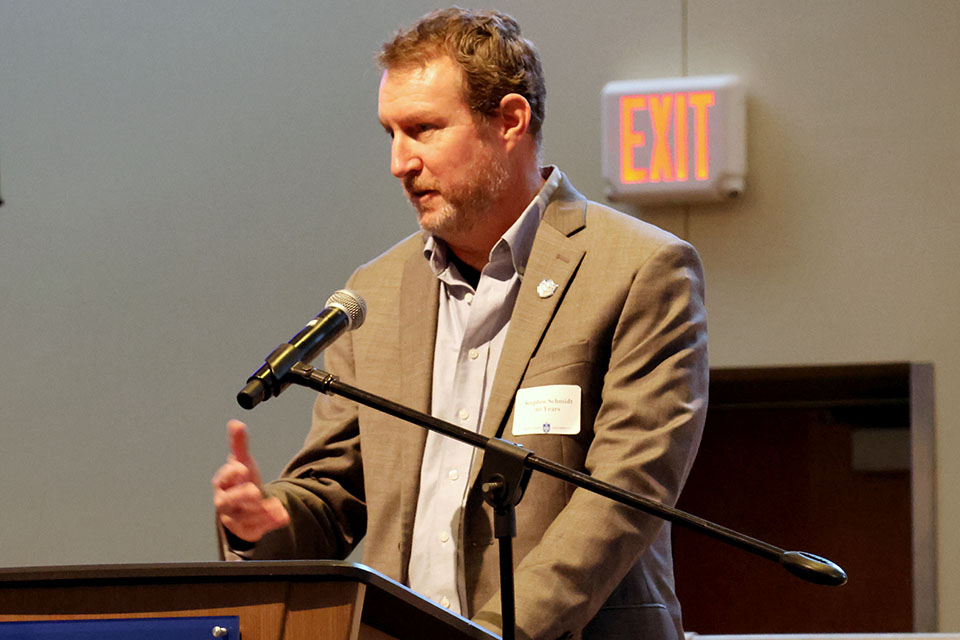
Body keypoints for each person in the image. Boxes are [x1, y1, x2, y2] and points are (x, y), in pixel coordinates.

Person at [212, 8, 708, 640]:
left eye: (423, 129)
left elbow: (621, 498)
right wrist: (268, 520)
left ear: (509, 120)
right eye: (390, 132)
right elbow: (334, 494)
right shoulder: (376, 292)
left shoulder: (640, 270)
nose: (399, 161)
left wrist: (490, 635)